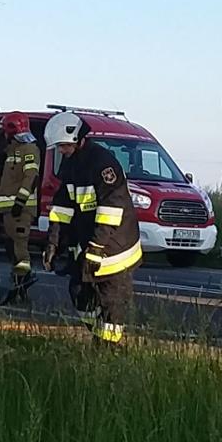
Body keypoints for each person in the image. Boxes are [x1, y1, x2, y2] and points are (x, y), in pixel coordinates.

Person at [43, 111, 140, 345]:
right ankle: (98, 335)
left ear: (77, 138)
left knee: (111, 300)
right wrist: (53, 243)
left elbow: (111, 209)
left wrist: (97, 247)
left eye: (64, 146)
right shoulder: (71, 164)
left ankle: (108, 347)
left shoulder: (103, 164)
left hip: (115, 244)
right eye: (59, 147)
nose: (61, 151)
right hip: (88, 241)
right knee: (79, 292)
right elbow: (62, 207)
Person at [0, 113, 42, 277]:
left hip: (21, 209)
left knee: (20, 248)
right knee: (11, 247)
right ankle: (17, 279)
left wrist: (20, 202)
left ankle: (22, 281)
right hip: (9, 210)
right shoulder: (12, 151)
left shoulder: (29, 150)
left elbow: (31, 177)